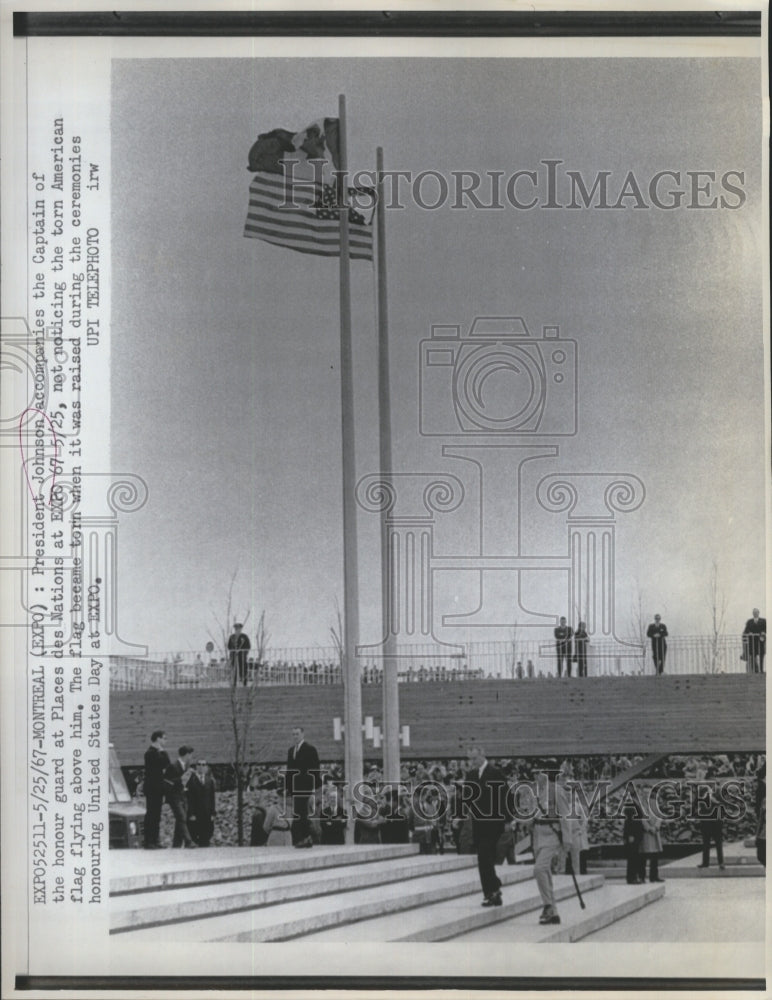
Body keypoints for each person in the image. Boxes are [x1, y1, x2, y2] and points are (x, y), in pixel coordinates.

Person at [465, 746, 507, 907]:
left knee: (484, 855)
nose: (472, 762)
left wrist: (507, 820)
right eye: (470, 759)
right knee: (484, 858)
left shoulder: (496, 774)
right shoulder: (471, 775)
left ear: (482, 755)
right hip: (478, 824)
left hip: (493, 824)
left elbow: (505, 798)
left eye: (474, 758)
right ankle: (493, 891)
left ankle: (492, 891)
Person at [528, 760, 570, 924]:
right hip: (538, 834)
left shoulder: (556, 791)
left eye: (538, 773)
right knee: (545, 872)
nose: (536, 776)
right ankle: (553, 910)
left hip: (552, 834)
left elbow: (566, 815)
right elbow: (535, 814)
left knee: (539, 869)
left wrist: (567, 840)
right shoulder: (537, 792)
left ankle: (547, 905)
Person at [285, 726, 321, 848]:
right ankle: (303, 838)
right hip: (295, 788)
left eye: (297, 734)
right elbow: (289, 771)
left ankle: (304, 838)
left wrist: (313, 789)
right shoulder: (291, 751)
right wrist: (288, 788)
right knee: (299, 812)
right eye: (293, 734)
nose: (295, 736)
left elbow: (315, 769)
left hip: (305, 786)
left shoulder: (310, 750)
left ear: (303, 734)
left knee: (302, 812)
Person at [163, 745, 196, 848]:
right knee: (181, 816)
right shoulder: (172, 766)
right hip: (174, 796)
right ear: (186, 754)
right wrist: (181, 779)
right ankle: (188, 841)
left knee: (181, 819)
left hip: (183, 795)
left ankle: (176, 844)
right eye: (190, 755)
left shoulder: (187, 765)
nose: (191, 757)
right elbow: (166, 782)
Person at [143, 729, 170, 849]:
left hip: (158, 788)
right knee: (151, 814)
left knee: (157, 815)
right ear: (158, 739)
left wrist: (163, 752)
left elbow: (167, 764)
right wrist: (161, 752)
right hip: (152, 788)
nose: (165, 741)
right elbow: (159, 764)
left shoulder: (160, 752)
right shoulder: (149, 753)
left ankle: (155, 839)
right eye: (164, 738)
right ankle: (149, 841)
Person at [697, 774, 725, 870]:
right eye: (708, 782)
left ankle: (721, 862)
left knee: (718, 843)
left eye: (712, 782)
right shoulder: (702, 792)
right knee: (706, 843)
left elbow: (723, 804)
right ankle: (705, 863)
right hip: (706, 821)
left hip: (716, 821)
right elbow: (699, 803)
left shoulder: (719, 792)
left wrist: (714, 801)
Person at [187, 758, 217, 847]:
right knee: (195, 836)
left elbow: (212, 798)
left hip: (207, 814)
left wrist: (213, 813)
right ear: (196, 767)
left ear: (206, 767)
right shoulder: (191, 780)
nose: (201, 767)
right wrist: (191, 814)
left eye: (203, 765)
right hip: (195, 814)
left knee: (206, 838)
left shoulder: (210, 781)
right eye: (199, 764)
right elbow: (189, 798)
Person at [639, 796, 664, 882]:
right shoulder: (641, 807)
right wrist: (649, 828)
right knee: (643, 857)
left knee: (655, 857)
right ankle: (642, 876)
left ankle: (654, 876)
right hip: (646, 835)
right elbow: (642, 820)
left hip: (655, 834)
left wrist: (656, 827)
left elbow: (659, 818)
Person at [622, 803, 643, 883]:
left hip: (635, 835)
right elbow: (629, 821)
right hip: (633, 836)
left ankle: (633, 877)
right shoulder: (630, 805)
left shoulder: (635, 804)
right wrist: (630, 834)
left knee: (634, 858)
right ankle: (631, 878)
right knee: (632, 858)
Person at [742, 609, 766, 673]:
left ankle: (761, 670)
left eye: (756, 612)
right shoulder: (749, 622)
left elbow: (766, 629)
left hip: (760, 642)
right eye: (754, 613)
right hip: (752, 642)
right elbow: (745, 631)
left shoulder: (763, 621)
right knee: (752, 656)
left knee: (761, 655)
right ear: (752, 614)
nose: (755, 614)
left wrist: (763, 632)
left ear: (759, 613)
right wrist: (749, 633)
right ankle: (755, 670)